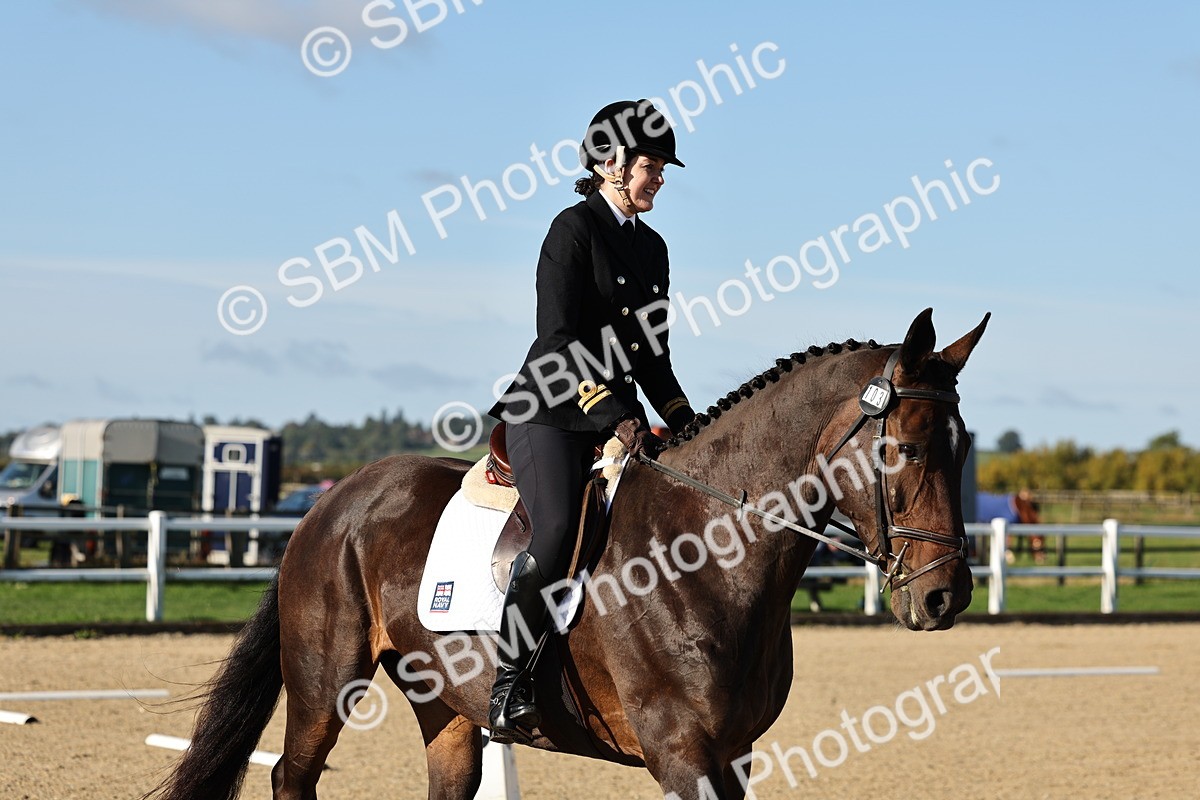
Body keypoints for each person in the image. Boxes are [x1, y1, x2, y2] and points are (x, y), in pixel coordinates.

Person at [485, 99, 696, 743]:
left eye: (661, 168)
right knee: (554, 530)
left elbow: (653, 357)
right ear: (610, 164)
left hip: (616, 416)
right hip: (549, 409)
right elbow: (557, 340)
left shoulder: (652, 248)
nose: (658, 178)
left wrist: (685, 421)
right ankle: (509, 682)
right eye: (650, 166)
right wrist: (612, 414)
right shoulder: (571, 230)